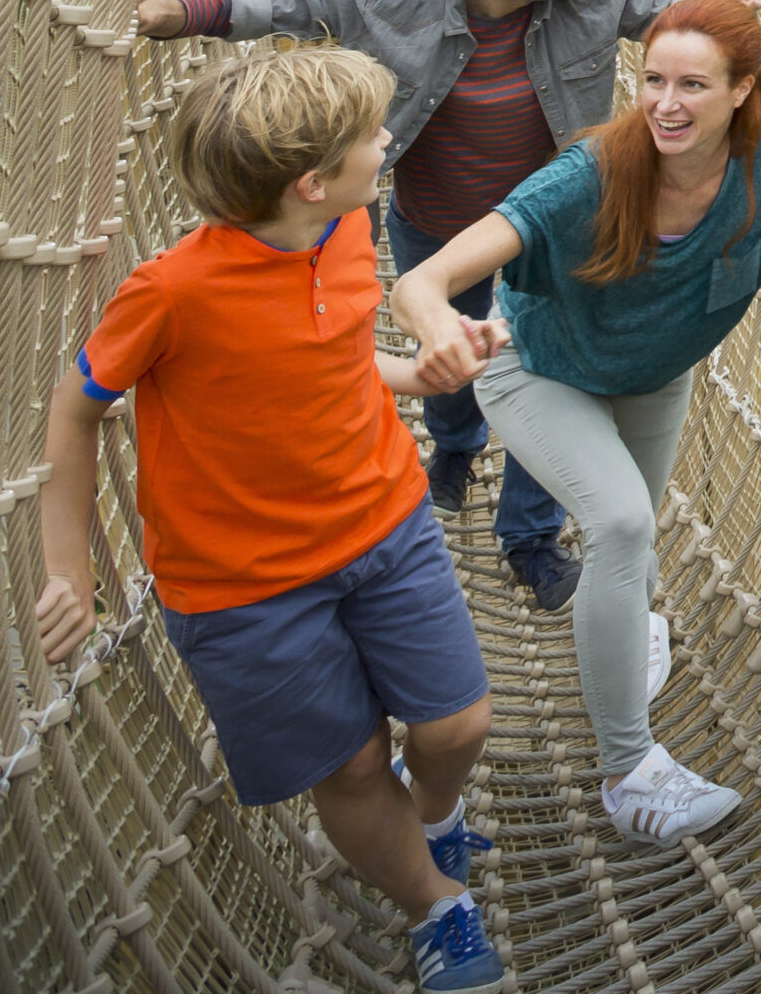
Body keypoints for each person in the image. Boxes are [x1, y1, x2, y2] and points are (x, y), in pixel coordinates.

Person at [134, 0, 756, 615]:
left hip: (549, 231)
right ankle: (456, 447)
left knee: (552, 370)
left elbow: (679, 12)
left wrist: (729, 15)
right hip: (438, 226)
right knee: (452, 356)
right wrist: (176, 10)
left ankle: (529, 538)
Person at [37, 48, 506, 991]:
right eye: (369, 135)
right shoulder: (171, 291)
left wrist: (418, 374)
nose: (387, 139)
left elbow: (332, 350)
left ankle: (434, 818)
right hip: (243, 585)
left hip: (384, 525)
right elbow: (75, 409)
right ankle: (436, 905)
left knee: (457, 725)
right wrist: (70, 571)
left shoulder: (344, 225)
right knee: (352, 767)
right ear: (309, 182)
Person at [391, 0, 761, 845]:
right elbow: (419, 283)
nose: (665, 103)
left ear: (741, 91)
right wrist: (441, 332)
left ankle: (626, 638)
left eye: (692, 85)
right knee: (618, 524)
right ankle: (628, 772)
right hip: (537, 369)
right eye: (654, 80)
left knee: (633, 542)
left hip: (654, 376)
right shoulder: (588, 176)